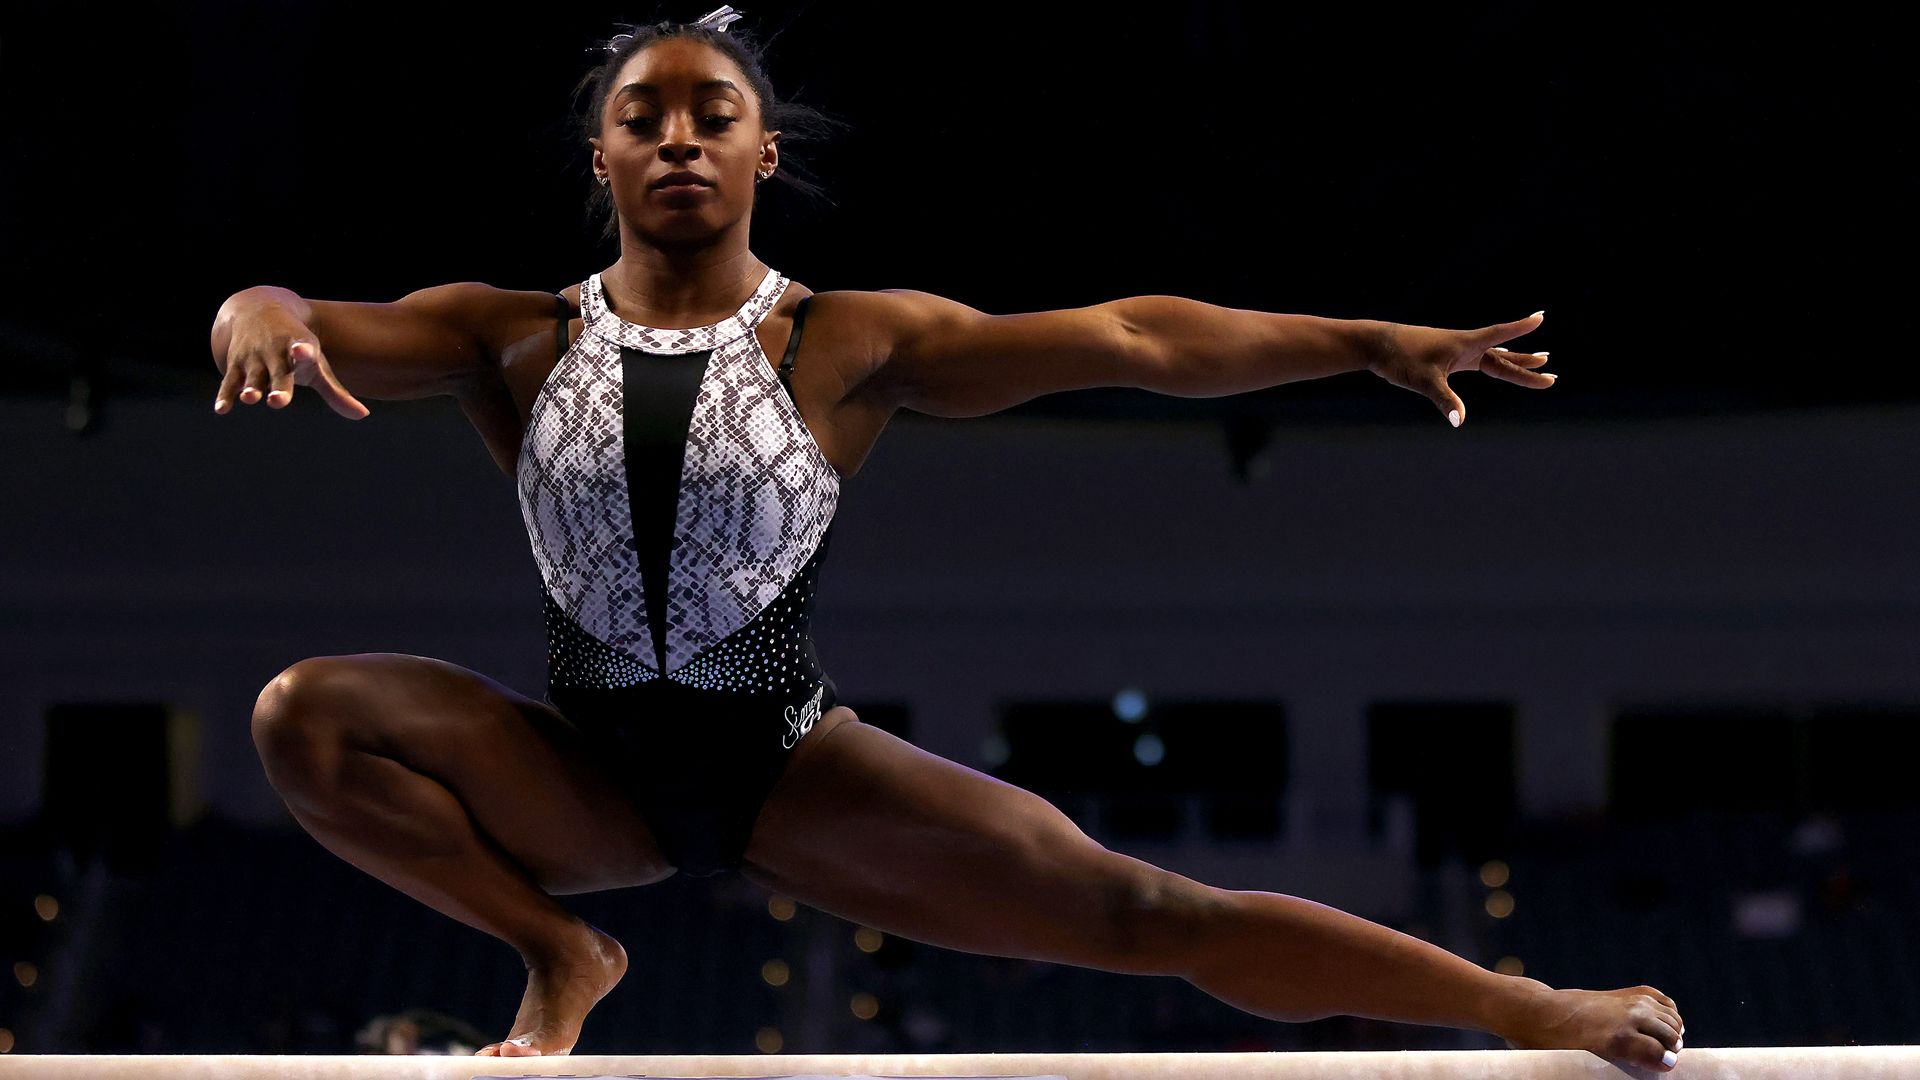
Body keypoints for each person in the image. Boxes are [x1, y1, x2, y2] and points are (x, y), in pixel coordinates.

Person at [207, 6, 1684, 1071]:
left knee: (1147, 909)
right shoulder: (502, 335)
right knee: (308, 717)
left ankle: (1527, 1005)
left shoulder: (847, 340)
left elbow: (1132, 334)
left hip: (792, 767)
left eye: (709, 115)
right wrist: (262, 307)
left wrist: (1359, 341)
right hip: (578, 778)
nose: (676, 139)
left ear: (762, 152)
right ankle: (558, 951)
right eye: (641, 118)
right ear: (596, 156)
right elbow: (308, 319)